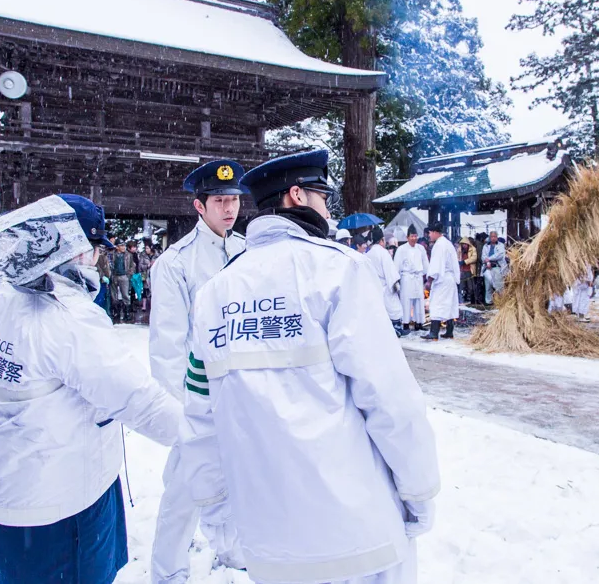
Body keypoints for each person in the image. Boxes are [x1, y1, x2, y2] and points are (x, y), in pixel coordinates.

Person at [181, 149, 439, 584]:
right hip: (357, 535)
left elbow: (200, 418)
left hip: (269, 540)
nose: (328, 209)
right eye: (323, 196)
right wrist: (419, 492)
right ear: (297, 195)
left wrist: (217, 513)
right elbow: (390, 400)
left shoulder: (214, 294)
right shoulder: (338, 271)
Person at [0, 194, 182, 584]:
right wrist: (205, 435)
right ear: (75, 250)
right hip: (62, 502)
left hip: (0, 492)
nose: (95, 260)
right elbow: (138, 400)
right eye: (94, 250)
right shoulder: (67, 317)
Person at [149, 159, 248, 583]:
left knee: (236, 475)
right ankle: (167, 568)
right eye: (220, 200)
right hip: (199, 393)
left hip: (242, 388)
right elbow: (168, 346)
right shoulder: (175, 264)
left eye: (234, 200)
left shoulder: (248, 251)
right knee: (186, 486)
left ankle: (229, 548)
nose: (229, 209)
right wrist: (189, 407)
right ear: (198, 206)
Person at [422, 222, 461, 341]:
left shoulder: (439, 245)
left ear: (434, 232)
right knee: (449, 305)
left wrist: (429, 281)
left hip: (442, 279)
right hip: (450, 279)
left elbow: (436, 265)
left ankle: (434, 333)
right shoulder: (447, 243)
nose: (429, 235)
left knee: (437, 304)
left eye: (429, 233)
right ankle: (449, 331)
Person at [365, 227, 404, 336]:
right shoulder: (383, 253)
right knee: (393, 309)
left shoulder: (368, 254)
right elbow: (390, 271)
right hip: (386, 286)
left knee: (379, 311)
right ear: (382, 240)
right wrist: (396, 285)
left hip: (375, 287)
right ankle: (396, 328)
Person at [394, 225, 429, 332]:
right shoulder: (401, 249)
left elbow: (425, 263)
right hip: (407, 277)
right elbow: (397, 265)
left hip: (418, 277)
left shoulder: (421, 248)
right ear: (407, 237)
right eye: (412, 236)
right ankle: (405, 323)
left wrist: (427, 276)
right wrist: (396, 280)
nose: (414, 238)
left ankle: (419, 323)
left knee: (419, 300)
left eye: (415, 236)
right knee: (406, 300)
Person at [111, 240, 136, 323]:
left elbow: (132, 265)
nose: (123, 247)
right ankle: (116, 312)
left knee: (125, 294)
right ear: (117, 247)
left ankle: (127, 313)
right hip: (114, 276)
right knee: (114, 295)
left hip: (124, 276)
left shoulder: (128, 255)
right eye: (121, 245)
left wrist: (128, 274)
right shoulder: (112, 254)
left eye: (124, 245)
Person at [481, 231, 507, 306]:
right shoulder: (486, 246)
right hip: (488, 267)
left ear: (497, 237)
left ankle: (501, 300)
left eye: (494, 236)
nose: (493, 238)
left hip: (497, 267)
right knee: (488, 285)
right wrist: (487, 262)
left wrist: (489, 259)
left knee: (498, 285)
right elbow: (483, 256)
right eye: (491, 236)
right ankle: (489, 301)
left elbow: (500, 255)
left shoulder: (500, 245)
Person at [457, 237, 478, 304]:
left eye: (465, 244)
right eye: (463, 244)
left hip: (469, 270)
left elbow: (474, 258)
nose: (464, 246)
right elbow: (457, 258)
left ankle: (471, 300)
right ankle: (462, 299)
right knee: (461, 286)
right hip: (462, 270)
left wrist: (465, 262)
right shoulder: (459, 250)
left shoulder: (473, 249)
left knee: (470, 286)